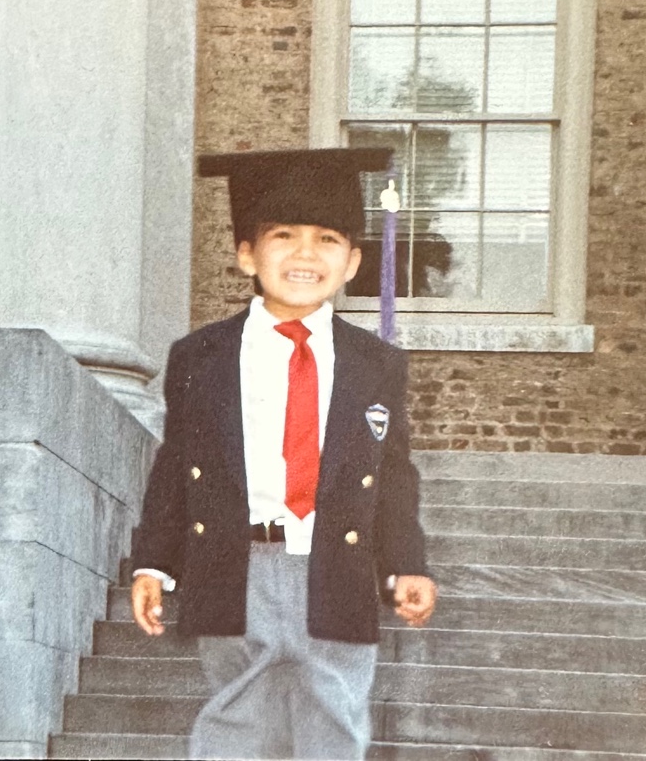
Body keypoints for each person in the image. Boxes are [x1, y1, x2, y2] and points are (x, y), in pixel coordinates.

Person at [130, 147, 437, 760]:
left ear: (351, 261)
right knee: (237, 721)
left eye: (327, 239)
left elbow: (394, 473)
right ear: (247, 252)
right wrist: (154, 563)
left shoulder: (376, 363)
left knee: (334, 718)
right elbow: (175, 465)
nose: (304, 254)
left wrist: (407, 562)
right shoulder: (200, 355)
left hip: (337, 563)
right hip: (236, 559)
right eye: (283, 236)